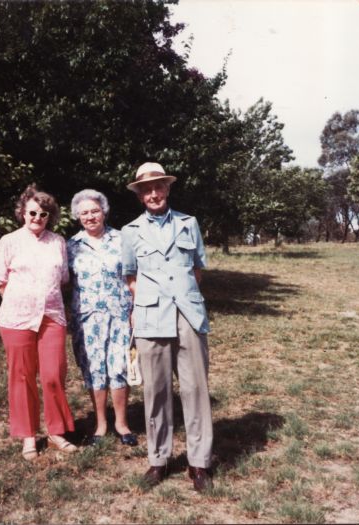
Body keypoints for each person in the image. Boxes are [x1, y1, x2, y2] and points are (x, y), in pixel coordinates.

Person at [120, 162, 213, 492]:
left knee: (195, 390)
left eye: (159, 187)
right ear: (140, 195)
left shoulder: (189, 223)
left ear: (168, 189)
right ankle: (158, 460)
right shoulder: (130, 232)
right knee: (156, 393)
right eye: (147, 189)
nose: (154, 193)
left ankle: (198, 463)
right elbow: (130, 276)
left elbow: (197, 271)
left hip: (188, 315)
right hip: (150, 318)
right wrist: (150, 298)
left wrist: (181, 298)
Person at [0, 184, 77, 461]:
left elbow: (63, 278)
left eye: (43, 214)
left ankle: (56, 432)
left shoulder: (58, 242)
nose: (37, 218)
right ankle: (28, 435)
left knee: (53, 375)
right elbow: (0, 280)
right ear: (22, 213)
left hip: (52, 317)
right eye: (32, 212)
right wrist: (20, 301)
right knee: (22, 376)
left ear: (49, 216)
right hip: (16, 319)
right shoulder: (9, 241)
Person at [67, 189, 137, 447]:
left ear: (104, 211)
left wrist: (135, 310)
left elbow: (134, 276)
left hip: (120, 315)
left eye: (94, 210)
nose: (90, 216)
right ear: (78, 216)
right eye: (84, 212)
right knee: (94, 368)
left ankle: (122, 423)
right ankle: (100, 425)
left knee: (119, 367)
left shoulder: (122, 240)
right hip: (86, 319)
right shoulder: (70, 246)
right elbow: (62, 281)